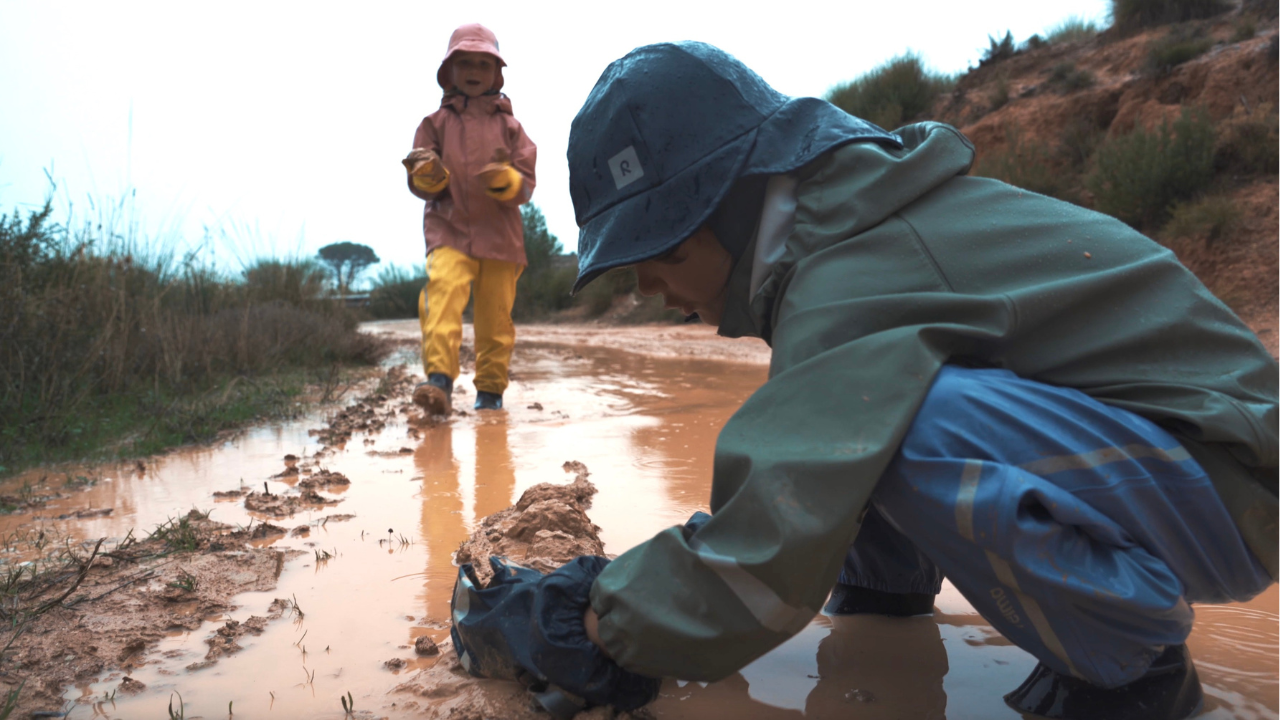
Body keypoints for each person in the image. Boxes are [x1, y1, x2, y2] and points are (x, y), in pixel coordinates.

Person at [448, 42, 1278, 720]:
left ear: (731, 207)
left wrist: (585, 621)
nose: (651, 289)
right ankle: (887, 606)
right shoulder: (849, 243)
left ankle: (1133, 679)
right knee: (862, 413)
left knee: (891, 417)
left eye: (660, 250)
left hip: (1239, 482)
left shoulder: (856, 275)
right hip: (1195, 462)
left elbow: (772, 529)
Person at [402, 23, 536, 413]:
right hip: (448, 232)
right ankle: (439, 382)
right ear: (449, 73)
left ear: (496, 74)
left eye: (483, 63)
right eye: (465, 63)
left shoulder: (512, 129)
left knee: (495, 321)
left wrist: (506, 180)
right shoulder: (433, 124)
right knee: (441, 297)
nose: (474, 70)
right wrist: (426, 173)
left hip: (501, 240)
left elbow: (526, 184)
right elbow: (421, 179)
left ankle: (490, 395)